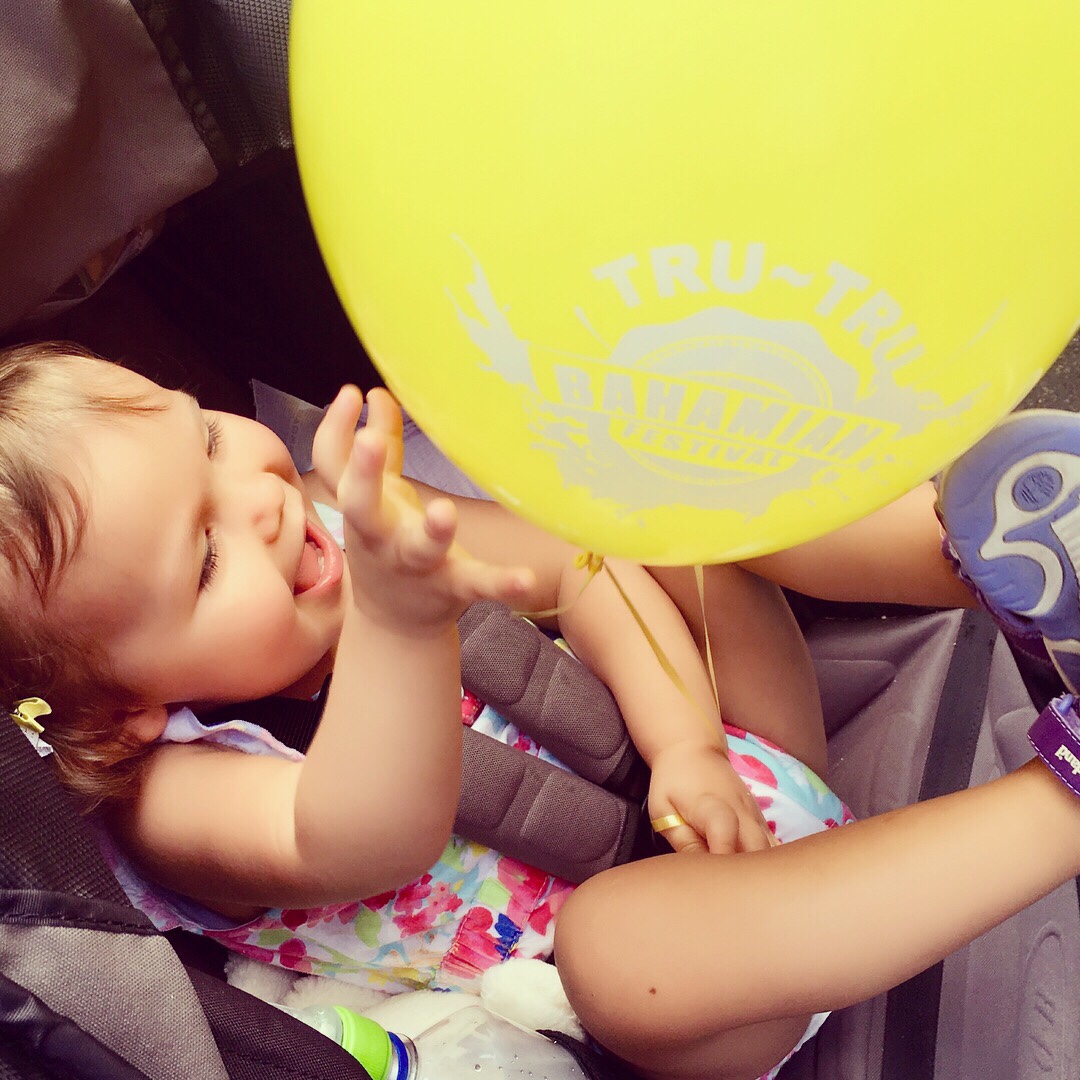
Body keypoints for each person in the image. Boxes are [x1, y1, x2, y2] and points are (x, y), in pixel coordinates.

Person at [2, 340, 1079, 1080]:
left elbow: (577, 566)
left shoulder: (348, 521)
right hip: (689, 993)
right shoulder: (172, 794)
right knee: (617, 950)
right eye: (203, 556)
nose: (264, 503)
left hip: (723, 775)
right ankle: (1061, 793)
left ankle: (984, 563)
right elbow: (366, 836)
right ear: (116, 711)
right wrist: (398, 616)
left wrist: (686, 743)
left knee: (649, 515)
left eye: (205, 439)